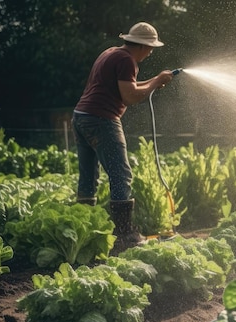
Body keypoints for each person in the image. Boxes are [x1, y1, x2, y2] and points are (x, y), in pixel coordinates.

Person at [72, 22, 174, 251]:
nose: (150, 53)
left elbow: (129, 86)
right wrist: (156, 81)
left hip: (81, 117)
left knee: (88, 176)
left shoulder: (111, 53)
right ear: (143, 47)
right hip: (101, 119)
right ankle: (124, 234)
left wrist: (154, 81)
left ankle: (83, 231)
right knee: (121, 174)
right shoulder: (127, 60)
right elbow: (129, 96)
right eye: (150, 49)